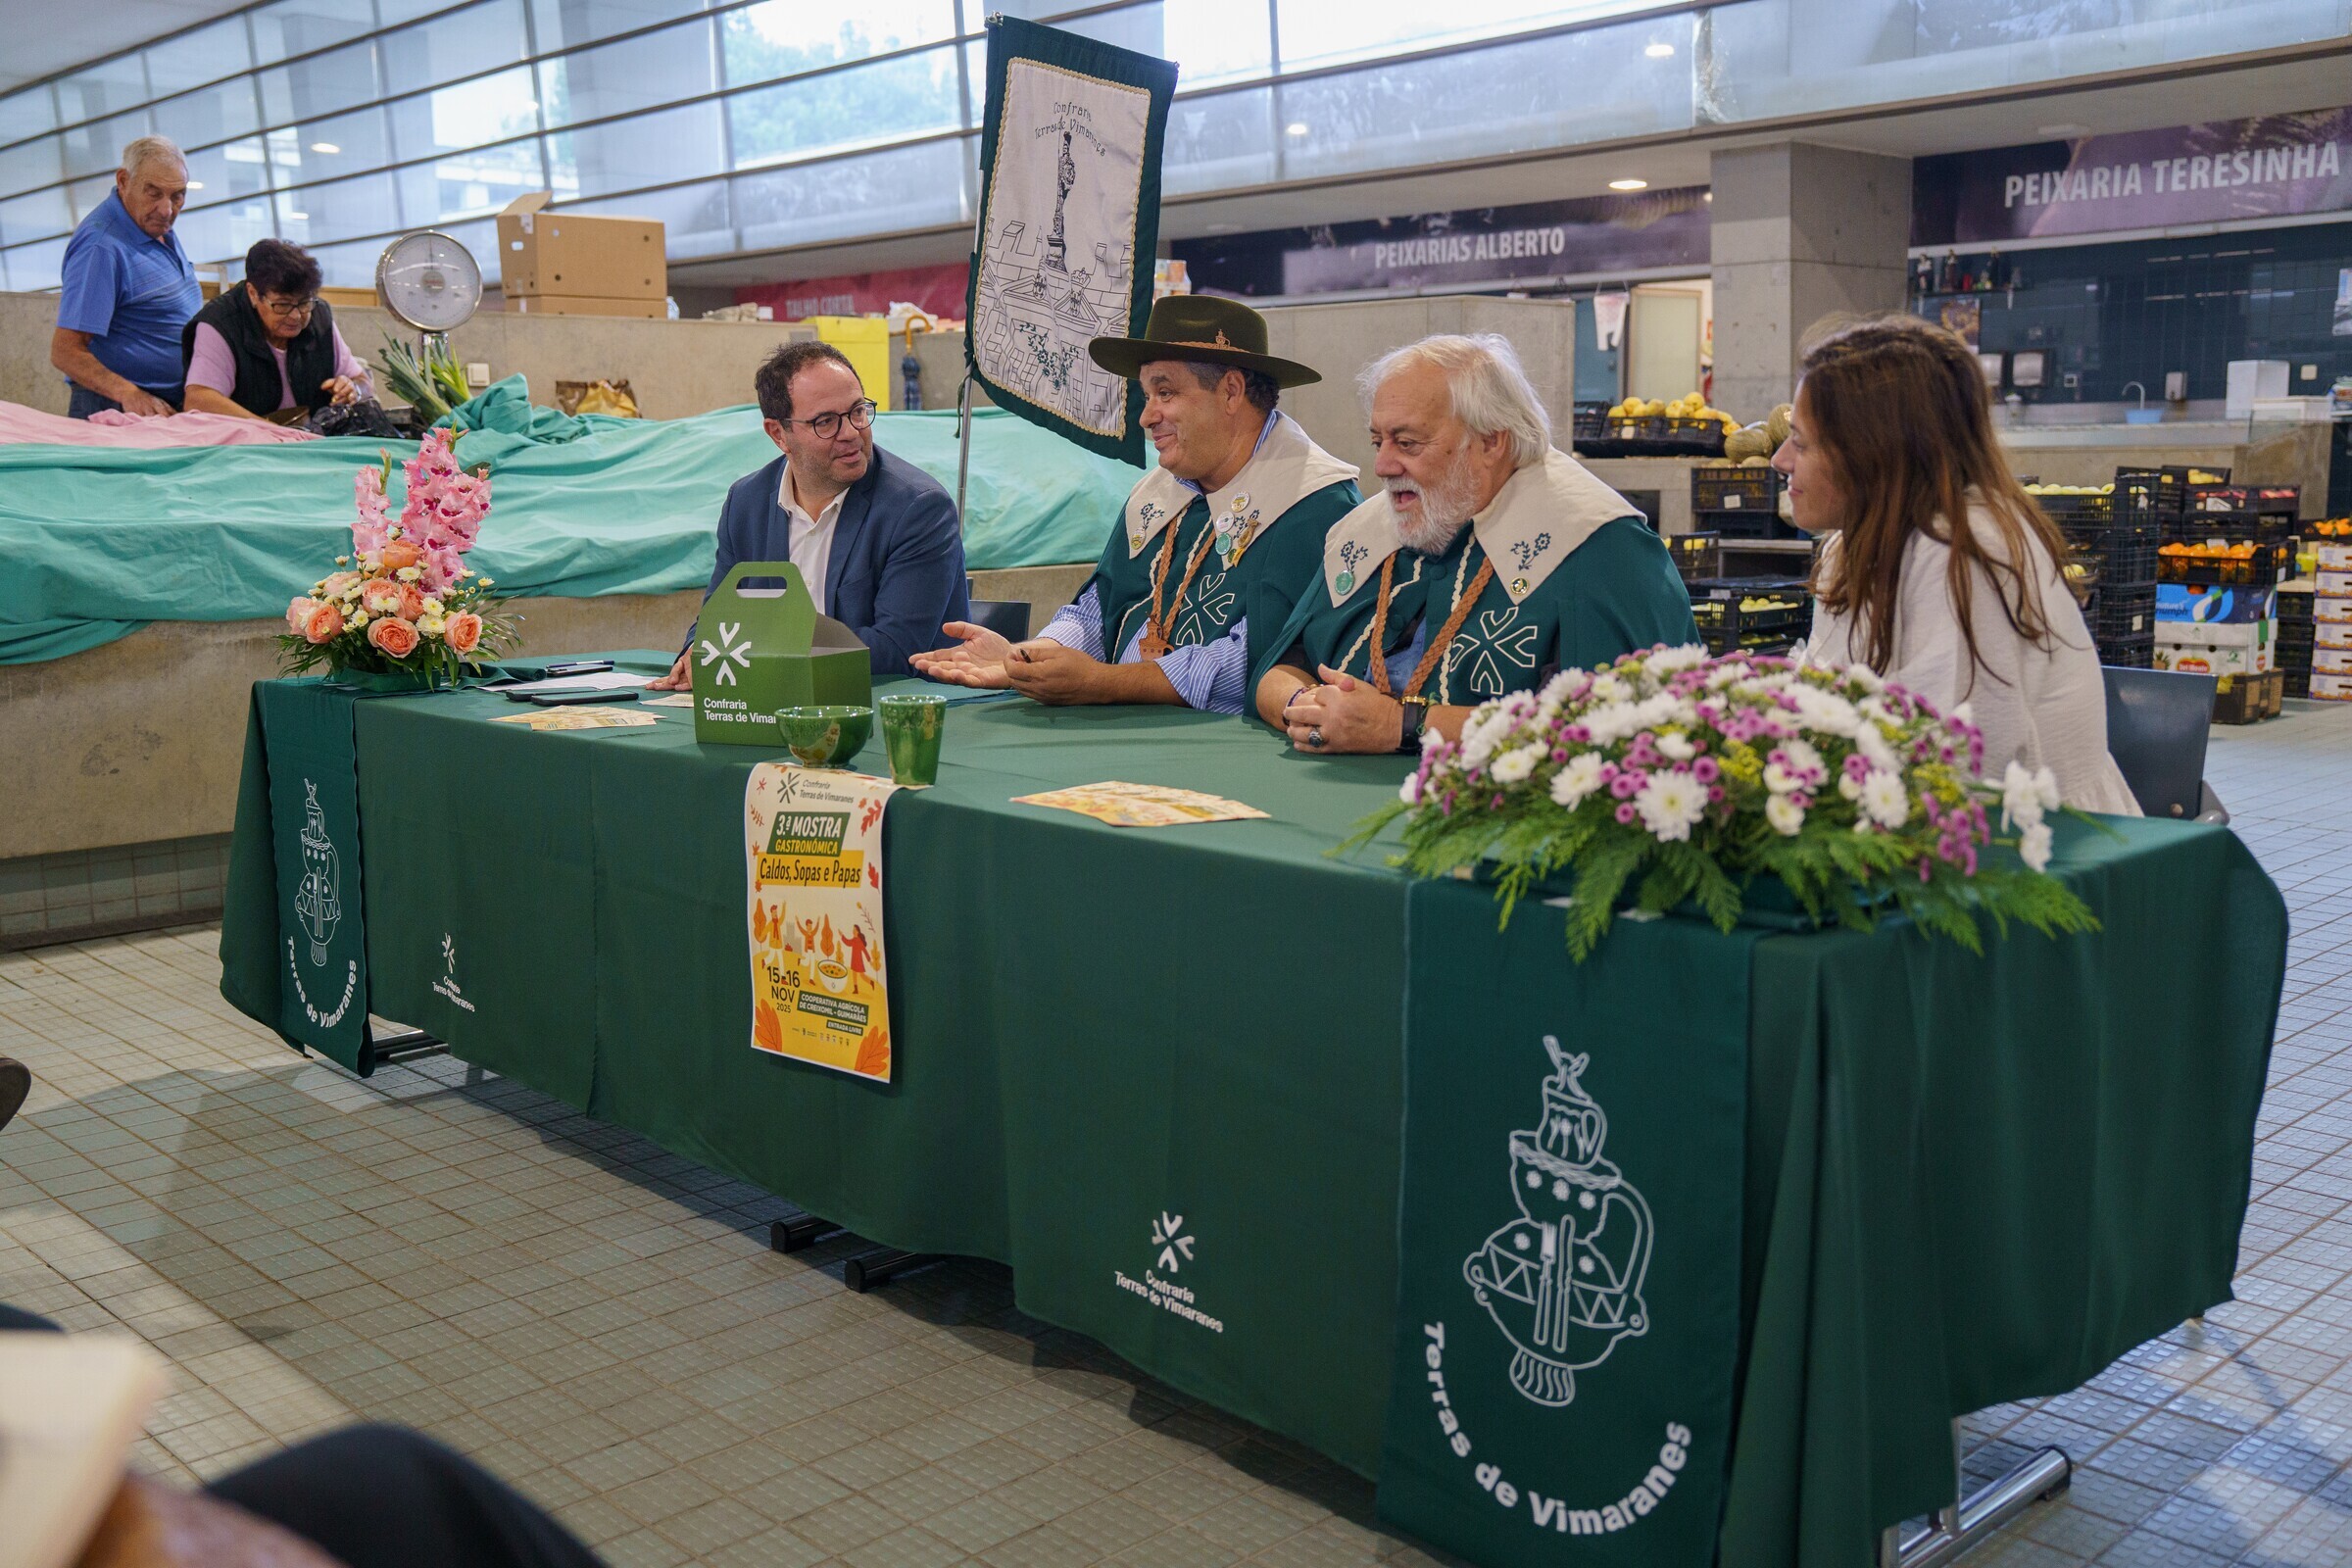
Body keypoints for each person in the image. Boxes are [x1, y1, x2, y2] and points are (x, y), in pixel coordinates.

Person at [1251, 334, 1695, 754]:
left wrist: (1397, 726)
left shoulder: (1598, 545)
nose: (1383, 465)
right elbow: (1278, 670)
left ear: (1490, 442)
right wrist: (1313, 707)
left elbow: (1609, 726)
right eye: (1377, 441)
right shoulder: (1367, 532)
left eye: (1407, 443)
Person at [910, 297, 1358, 711]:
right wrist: (1030, 657)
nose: (1146, 417)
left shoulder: (1313, 504)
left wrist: (1106, 682)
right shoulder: (1160, 492)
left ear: (1231, 391)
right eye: (1147, 396)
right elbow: (1098, 607)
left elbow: (1262, 662)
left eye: (1165, 393)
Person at [1779, 316, 2138, 812]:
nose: (1779, 460)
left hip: (2038, 853)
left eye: (1800, 442)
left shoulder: (1963, 553)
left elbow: (1956, 773)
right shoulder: (1855, 544)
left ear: (1872, 453)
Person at [649, 341, 965, 686]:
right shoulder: (747, 504)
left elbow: (896, 651)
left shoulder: (918, 508)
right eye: (825, 422)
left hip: (894, 713)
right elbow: (720, 616)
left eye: (858, 411)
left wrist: (755, 657)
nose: (851, 433)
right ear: (778, 434)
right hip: (776, 705)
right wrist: (697, 651)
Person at [51, 136, 202, 419]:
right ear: (123, 181)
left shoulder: (155, 223)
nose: (167, 209)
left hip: (168, 406)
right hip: (117, 409)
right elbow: (65, 351)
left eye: (177, 195)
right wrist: (129, 394)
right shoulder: (100, 248)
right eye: (154, 193)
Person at [180, 239, 370, 420]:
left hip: (312, 438)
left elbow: (362, 380)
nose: (296, 316)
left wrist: (353, 389)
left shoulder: (318, 315)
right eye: (283, 305)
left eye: (304, 303)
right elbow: (199, 399)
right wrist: (270, 431)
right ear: (253, 294)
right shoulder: (220, 324)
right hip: (246, 444)